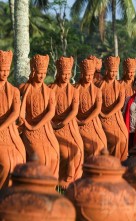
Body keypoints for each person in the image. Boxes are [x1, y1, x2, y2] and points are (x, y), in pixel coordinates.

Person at [19, 54, 59, 178]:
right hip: (28, 127)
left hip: (44, 129)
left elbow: (51, 112)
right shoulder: (24, 88)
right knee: (40, 156)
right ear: (33, 71)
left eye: (44, 73)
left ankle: (51, 185)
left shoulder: (49, 92)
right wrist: (26, 124)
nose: (42, 76)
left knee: (54, 153)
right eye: (39, 73)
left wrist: (37, 125)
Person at [50, 56, 84, 188]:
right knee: (65, 152)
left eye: (68, 74)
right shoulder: (51, 88)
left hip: (69, 125)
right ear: (58, 73)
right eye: (63, 74)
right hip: (53, 125)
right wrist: (53, 124)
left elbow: (74, 110)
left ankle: (72, 178)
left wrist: (64, 122)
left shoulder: (74, 91)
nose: (66, 76)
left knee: (78, 148)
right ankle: (61, 179)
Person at [0, 50, 26, 189]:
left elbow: (15, 112)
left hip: (9, 131)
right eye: (1, 70)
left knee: (19, 156)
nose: (4, 73)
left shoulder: (14, 91)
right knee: (6, 162)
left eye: (6, 70)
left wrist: (2, 127)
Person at [75, 58, 107, 162]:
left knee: (102, 144)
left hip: (93, 122)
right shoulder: (75, 89)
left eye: (91, 75)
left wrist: (87, 120)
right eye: (87, 74)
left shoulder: (97, 91)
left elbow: (97, 108)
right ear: (82, 74)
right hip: (77, 122)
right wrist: (77, 120)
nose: (89, 77)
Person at [98, 56, 128, 161]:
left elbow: (120, 103)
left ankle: (121, 162)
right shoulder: (100, 85)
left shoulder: (120, 86)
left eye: (115, 71)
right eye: (111, 71)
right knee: (115, 140)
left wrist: (110, 114)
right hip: (102, 116)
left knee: (124, 137)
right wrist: (102, 114)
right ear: (106, 71)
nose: (113, 74)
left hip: (115, 116)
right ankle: (111, 161)